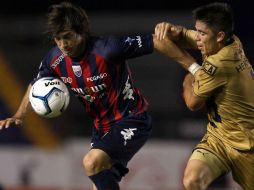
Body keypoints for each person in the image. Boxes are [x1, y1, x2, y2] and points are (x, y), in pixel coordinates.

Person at [0, 2, 188, 190]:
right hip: (101, 129)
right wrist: (19, 115)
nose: (63, 44)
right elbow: (35, 85)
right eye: (58, 39)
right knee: (98, 182)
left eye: (68, 37)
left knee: (91, 162)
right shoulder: (54, 59)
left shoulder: (107, 49)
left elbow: (156, 41)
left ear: (81, 31)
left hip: (132, 119)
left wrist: (194, 68)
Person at [155, 2, 254, 190]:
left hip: (247, 145)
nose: (198, 38)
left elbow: (193, 103)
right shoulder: (230, 40)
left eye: (202, 33)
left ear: (219, 36)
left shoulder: (220, 64)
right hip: (218, 139)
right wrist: (172, 30)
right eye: (197, 30)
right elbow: (185, 36)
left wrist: (188, 71)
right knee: (192, 180)